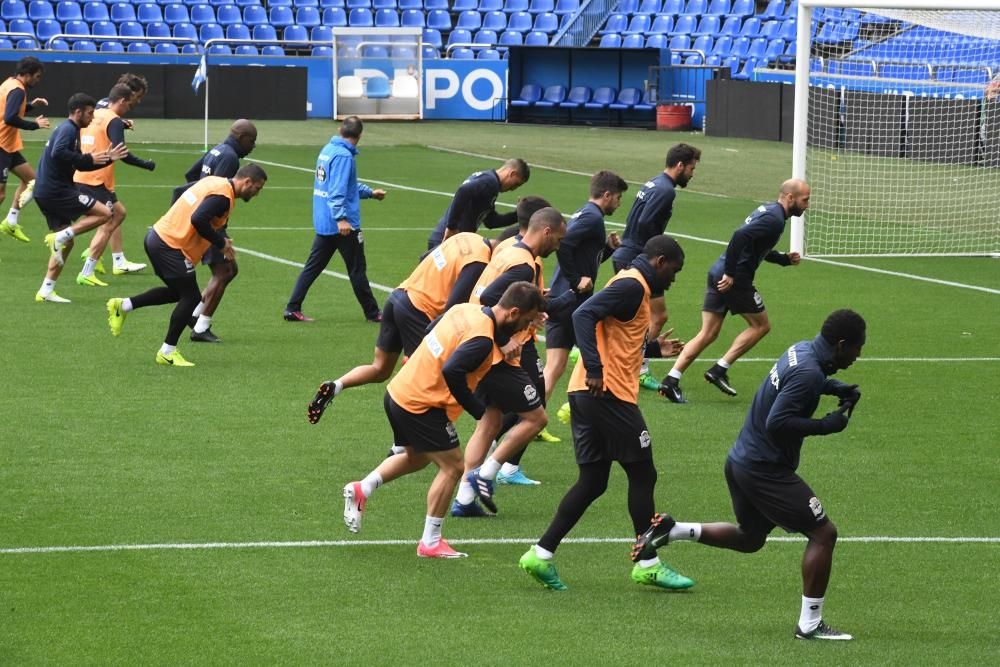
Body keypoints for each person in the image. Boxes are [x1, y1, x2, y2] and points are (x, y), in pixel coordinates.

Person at [632, 309, 866, 641]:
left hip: (741, 460)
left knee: (751, 538)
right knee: (824, 534)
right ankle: (810, 624)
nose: (858, 355)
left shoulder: (801, 350)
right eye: (857, 348)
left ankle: (676, 530)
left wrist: (835, 387)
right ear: (842, 344)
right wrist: (826, 426)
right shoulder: (810, 374)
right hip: (765, 470)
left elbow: (801, 381)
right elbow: (778, 421)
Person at [519, 234, 692, 592]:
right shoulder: (632, 285)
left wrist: (653, 348)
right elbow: (584, 314)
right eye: (674, 271)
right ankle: (648, 563)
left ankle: (540, 554)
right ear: (660, 262)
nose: (674, 279)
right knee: (643, 474)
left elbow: (617, 334)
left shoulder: (632, 285)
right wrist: (596, 368)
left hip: (588, 393)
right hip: (607, 393)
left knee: (593, 481)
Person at [340, 281, 545, 559]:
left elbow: (429, 329)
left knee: (418, 457)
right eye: (526, 321)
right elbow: (452, 370)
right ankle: (430, 541)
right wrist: (477, 410)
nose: (525, 329)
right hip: (421, 404)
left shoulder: (466, 310)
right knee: (454, 467)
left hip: (399, 392)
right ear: (513, 312)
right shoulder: (483, 340)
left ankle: (362, 488)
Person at [306, 229, 494, 426]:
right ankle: (403, 445)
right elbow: (453, 307)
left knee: (380, 369)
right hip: (419, 310)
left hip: (399, 295)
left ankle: (336, 385)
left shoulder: (466, 237)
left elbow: (424, 257)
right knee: (424, 379)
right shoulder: (480, 260)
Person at [453, 205, 569, 514]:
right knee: (537, 416)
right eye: (557, 240)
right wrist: (505, 341)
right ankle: (487, 474)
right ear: (545, 232)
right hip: (507, 348)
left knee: (490, 421)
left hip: (483, 341)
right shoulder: (523, 265)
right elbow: (492, 299)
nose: (557, 247)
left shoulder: (508, 248)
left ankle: (464, 499)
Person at [659, 178, 808, 404]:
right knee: (761, 326)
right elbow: (739, 237)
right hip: (734, 278)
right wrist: (730, 274)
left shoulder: (768, 210)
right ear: (790, 198)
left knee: (708, 333)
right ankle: (720, 369)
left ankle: (671, 380)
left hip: (718, 271)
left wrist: (783, 259)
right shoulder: (775, 219)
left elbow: (755, 245)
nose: (807, 205)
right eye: (804, 200)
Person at [104, 164, 267, 366]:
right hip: (168, 245)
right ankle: (167, 351)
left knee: (178, 293)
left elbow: (181, 192)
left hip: (158, 238)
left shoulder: (214, 182)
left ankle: (124, 305)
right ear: (247, 181)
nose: (257, 193)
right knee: (191, 297)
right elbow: (198, 219)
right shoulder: (223, 197)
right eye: (257, 188)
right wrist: (220, 242)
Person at [611, 143, 700, 391]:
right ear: (680, 165)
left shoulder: (653, 182)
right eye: (692, 168)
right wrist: (661, 249)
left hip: (626, 253)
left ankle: (591, 353)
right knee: (657, 316)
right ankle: (639, 368)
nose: (692, 174)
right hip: (639, 258)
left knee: (627, 313)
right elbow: (647, 221)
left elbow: (637, 219)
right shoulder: (666, 191)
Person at [543, 170, 626, 425]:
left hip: (561, 297)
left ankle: (529, 420)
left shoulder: (584, 212)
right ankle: (582, 412)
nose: (619, 204)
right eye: (618, 198)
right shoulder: (592, 218)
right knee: (605, 355)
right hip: (574, 303)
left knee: (554, 368)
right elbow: (565, 245)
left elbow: (585, 256)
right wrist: (575, 280)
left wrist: (608, 249)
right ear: (607, 194)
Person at [284, 116, 385, 323]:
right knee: (357, 269)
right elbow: (337, 191)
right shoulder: (344, 156)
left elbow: (345, 186)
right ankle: (373, 313)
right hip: (343, 225)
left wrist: (370, 193)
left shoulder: (328, 150)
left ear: (340, 130)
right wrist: (341, 219)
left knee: (312, 267)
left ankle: (292, 308)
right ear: (360, 135)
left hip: (324, 221)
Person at [170, 118, 258, 343]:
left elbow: (191, 175)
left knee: (227, 271)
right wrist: (218, 231)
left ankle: (195, 315)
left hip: (205, 220)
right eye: (252, 141)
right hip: (208, 224)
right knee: (225, 271)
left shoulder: (217, 149)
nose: (253, 146)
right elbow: (219, 191)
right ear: (242, 138)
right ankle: (200, 327)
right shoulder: (229, 158)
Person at [35, 93, 128, 303]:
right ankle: (60, 237)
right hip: (55, 190)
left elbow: (81, 164)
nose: (92, 116)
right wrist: (88, 157)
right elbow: (58, 153)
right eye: (90, 112)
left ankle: (46, 290)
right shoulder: (68, 129)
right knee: (105, 213)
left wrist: (107, 159)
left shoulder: (71, 130)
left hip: (47, 190)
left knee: (67, 243)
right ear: (78, 112)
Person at [74, 84, 156, 288]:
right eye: (128, 104)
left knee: (119, 213)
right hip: (97, 179)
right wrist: (146, 164)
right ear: (121, 101)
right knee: (107, 219)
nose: (129, 108)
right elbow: (123, 154)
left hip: (83, 174)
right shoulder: (114, 120)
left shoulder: (97, 113)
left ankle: (92, 253)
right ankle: (85, 267)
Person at [425, 158, 530, 250]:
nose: (513, 189)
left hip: (448, 240)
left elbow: (491, 222)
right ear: (512, 174)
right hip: (447, 241)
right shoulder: (490, 182)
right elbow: (463, 191)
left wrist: (519, 215)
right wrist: (451, 227)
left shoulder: (489, 182)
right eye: (516, 184)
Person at [0, 56, 49, 244]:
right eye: (37, 76)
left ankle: (10, 221)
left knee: (33, 181)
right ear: (27, 74)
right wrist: (34, 125)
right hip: (2, 144)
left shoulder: (10, 83)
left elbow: (9, 110)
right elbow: (10, 118)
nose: (38, 80)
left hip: (8, 145)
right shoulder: (18, 91)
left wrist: (31, 106)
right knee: (1, 194)